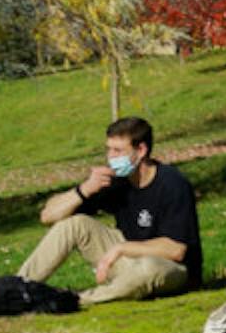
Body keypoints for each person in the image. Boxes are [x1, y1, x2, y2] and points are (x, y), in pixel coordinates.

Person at [16, 116, 202, 305]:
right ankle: (16, 289)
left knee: (148, 268)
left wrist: (121, 248)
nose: (111, 157)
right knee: (74, 224)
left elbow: (176, 249)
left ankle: (73, 300)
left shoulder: (172, 184)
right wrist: (85, 189)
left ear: (141, 150)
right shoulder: (116, 182)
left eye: (118, 150)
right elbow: (48, 216)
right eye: (109, 149)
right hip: (128, 261)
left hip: (171, 269)